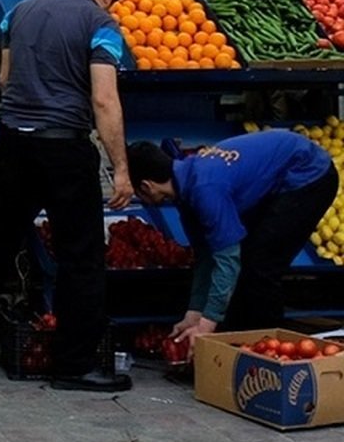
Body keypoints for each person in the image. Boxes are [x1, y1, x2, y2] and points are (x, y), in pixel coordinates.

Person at [0, 0, 134, 392]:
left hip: (14, 143)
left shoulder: (21, 11)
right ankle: (74, 365)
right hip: (64, 147)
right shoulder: (101, 24)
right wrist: (121, 168)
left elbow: (4, 78)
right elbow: (104, 99)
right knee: (81, 256)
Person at [128, 131, 337, 348]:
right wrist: (194, 313)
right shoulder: (185, 188)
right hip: (279, 175)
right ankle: (237, 344)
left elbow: (228, 259)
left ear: (146, 186)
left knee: (259, 266)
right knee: (244, 263)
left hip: (309, 173)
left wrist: (206, 325)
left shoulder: (205, 189)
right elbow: (205, 254)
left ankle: (268, 349)